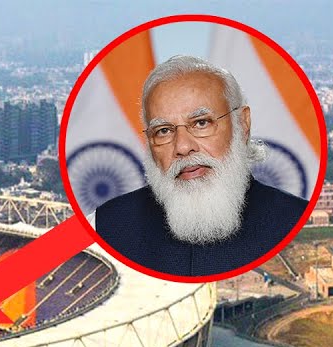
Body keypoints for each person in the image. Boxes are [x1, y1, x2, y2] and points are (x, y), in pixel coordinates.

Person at [92, 55, 308, 278]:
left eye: (201, 123)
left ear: (242, 125)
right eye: (164, 131)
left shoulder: (295, 220)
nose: (183, 147)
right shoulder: (108, 224)